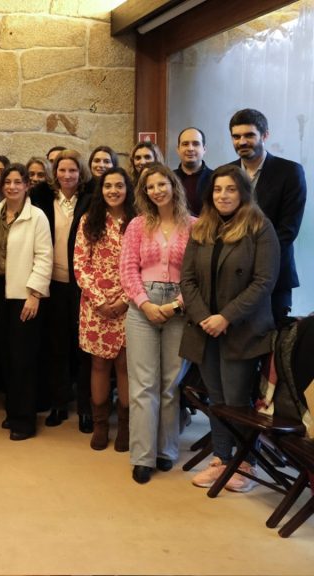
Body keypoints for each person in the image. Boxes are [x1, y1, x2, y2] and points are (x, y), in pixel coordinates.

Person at [180, 165, 279, 493]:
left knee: (237, 400)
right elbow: (187, 279)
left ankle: (246, 463)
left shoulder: (260, 227)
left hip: (242, 328)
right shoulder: (202, 228)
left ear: (243, 193)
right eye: (218, 189)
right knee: (217, 398)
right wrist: (204, 317)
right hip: (205, 329)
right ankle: (221, 459)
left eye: (231, 189)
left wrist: (225, 317)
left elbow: (264, 281)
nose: (223, 195)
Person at [119, 164, 195, 484]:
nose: (156, 191)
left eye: (162, 184)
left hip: (180, 307)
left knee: (169, 383)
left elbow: (198, 275)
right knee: (143, 384)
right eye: (150, 187)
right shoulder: (137, 225)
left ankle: (166, 449)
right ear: (144, 192)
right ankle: (142, 456)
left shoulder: (194, 225)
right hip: (142, 307)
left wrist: (176, 305)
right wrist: (145, 304)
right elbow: (127, 269)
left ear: (173, 185)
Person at [0, 164, 53, 441]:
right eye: (7, 182)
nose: (11, 187)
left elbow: (44, 256)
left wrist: (35, 294)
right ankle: (13, 410)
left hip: (25, 292)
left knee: (23, 358)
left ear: (26, 185)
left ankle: (24, 420)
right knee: (6, 355)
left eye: (17, 182)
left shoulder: (37, 216)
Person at [222, 108, 306, 324]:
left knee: (271, 338)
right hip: (231, 277)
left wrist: (253, 260)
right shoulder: (224, 174)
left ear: (265, 135)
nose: (242, 141)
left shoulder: (290, 172)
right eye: (236, 136)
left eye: (249, 135)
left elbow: (287, 231)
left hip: (274, 276)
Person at [31, 150, 94, 432]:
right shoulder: (43, 198)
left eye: (72, 170)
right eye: (62, 170)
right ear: (54, 172)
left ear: (81, 173)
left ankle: (85, 408)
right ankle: (58, 403)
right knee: (56, 346)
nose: (67, 175)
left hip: (82, 284)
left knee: (83, 349)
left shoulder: (91, 198)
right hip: (53, 283)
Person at [73, 167, 135, 451]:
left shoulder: (138, 221)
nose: (113, 191)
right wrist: (99, 299)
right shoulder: (89, 220)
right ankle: (100, 425)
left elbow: (142, 266)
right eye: (108, 186)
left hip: (129, 303)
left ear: (127, 189)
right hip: (94, 305)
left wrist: (124, 299)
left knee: (124, 365)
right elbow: (80, 264)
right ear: (101, 190)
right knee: (98, 365)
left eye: (119, 185)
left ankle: (125, 426)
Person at [173, 127, 213, 216]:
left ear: (204, 149)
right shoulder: (168, 179)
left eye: (196, 144)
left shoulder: (215, 179)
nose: (190, 148)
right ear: (178, 149)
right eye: (185, 144)